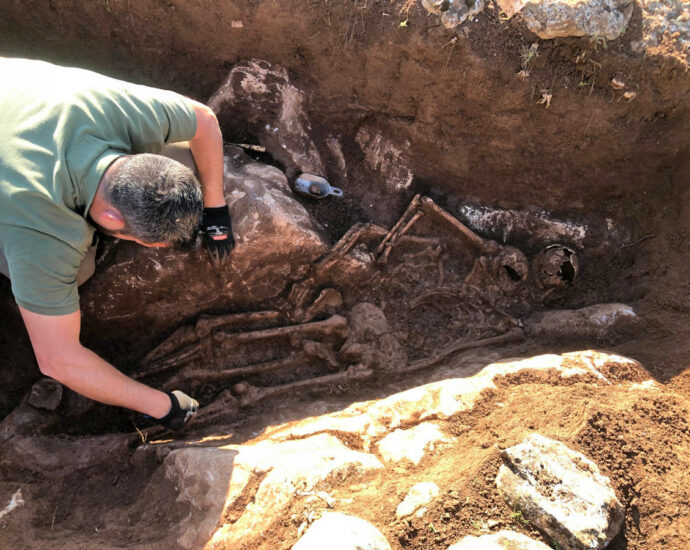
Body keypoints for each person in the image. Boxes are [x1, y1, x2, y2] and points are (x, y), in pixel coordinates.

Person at [0, 57, 234, 430]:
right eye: (148, 242)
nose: (159, 250)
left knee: (189, 155)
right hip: (15, 194)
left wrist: (216, 205)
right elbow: (58, 360)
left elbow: (203, 119)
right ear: (111, 220)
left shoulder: (117, 110)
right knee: (80, 270)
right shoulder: (44, 237)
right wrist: (164, 406)